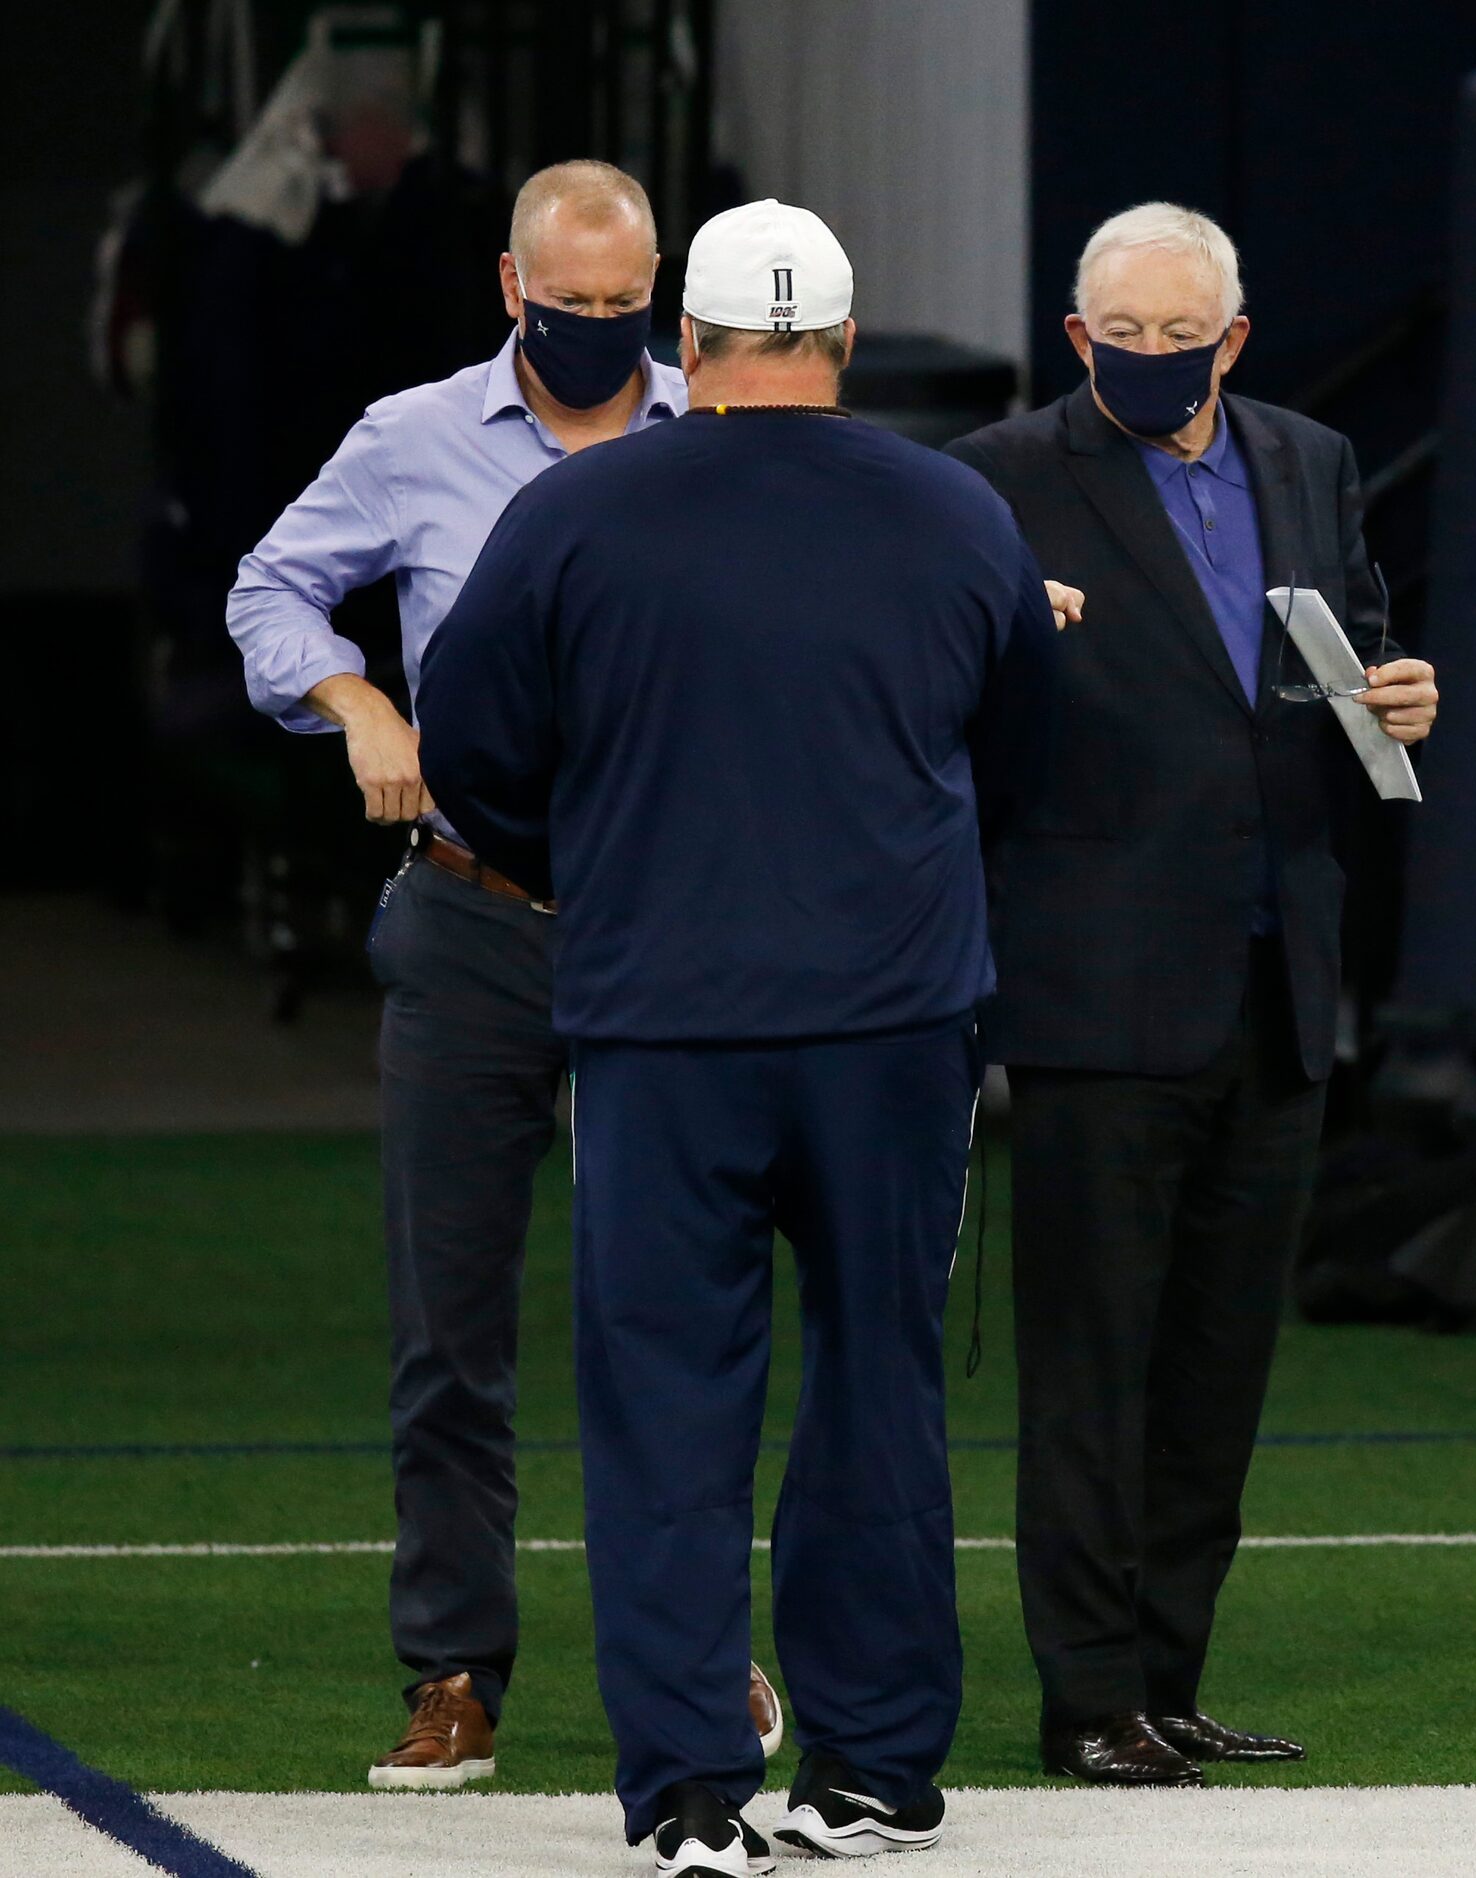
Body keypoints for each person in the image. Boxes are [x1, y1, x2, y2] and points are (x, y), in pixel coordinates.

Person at [422, 195, 1056, 1875]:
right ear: (846, 342)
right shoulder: (958, 512)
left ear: (679, 346)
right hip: (892, 1018)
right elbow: (1024, 758)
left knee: (663, 1405)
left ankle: (693, 1784)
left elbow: (471, 749)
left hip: (663, 1016)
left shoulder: (578, 511)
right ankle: (871, 1769)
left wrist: (597, 867)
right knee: (879, 1381)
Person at [223, 158, 787, 1788]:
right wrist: (355, 701)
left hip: (669, 927)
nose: (599, 331)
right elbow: (270, 582)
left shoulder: (726, 437)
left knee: (672, 1309)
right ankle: (454, 1666)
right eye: (571, 304)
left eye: (627, 308)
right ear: (509, 287)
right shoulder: (411, 440)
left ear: (666, 300)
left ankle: (691, 1647)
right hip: (470, 916)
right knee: (447, 1321)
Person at [944, 202, 1440, 1786]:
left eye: (1180, 338)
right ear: (1078, 336)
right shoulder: (995, 480)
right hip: (1096, 984)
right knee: (1091, 1364)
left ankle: (1167, 1677)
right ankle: (1085, 1695)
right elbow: (934, 704)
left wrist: (1397, 691)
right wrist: (1009, 645)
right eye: (1120, 338)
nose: (1150, 362)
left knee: (1218, 1359)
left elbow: (1340, 650)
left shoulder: (1308, 458)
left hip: (1276, 972)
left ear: (1233, 336)